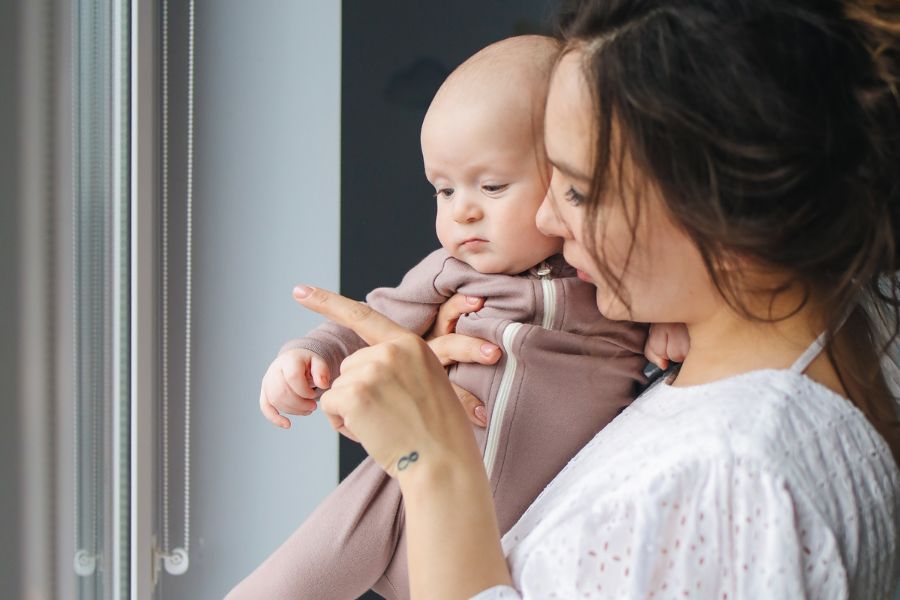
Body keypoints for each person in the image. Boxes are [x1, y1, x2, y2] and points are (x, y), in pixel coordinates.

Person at [278, 0, 900, 597]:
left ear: (725, 211)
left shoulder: (732, 477)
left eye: (576, 191)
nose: (547, 218)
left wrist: (431, 461)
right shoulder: (775, 361)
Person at [227, 36, 651, 600]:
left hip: (506, 539)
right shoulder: (449, 272)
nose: (462, 210)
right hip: (405, 497)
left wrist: (672, 328)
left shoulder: (612, 274)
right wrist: (312, 355)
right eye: (443, 189)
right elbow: (372, 321)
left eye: (492, 186)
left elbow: (669, 315)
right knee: (302, 568)